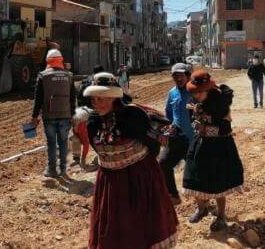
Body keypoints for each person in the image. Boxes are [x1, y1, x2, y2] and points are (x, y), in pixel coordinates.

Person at [84, 72, 178, 248]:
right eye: (94, 99)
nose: (97, 103)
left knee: (138, 225)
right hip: (110, 181)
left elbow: (152, 146)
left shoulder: (133, 116)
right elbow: (97, 148)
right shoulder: (93, 122)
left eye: (102, 98)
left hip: (138, 177)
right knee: (113, 225)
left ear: (114, 97)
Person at [183, 70, 244, 232]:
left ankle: (221, 216)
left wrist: (205, 129)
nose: (196, 95)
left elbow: (225, 128)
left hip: (219, 146)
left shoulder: (221, 104)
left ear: (208, 89)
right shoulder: (193, 101)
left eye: (199, 92)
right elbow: (191, 120)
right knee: (194, 176)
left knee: (219, 180)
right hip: (199, 144)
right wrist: (197, 126)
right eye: (194, 92)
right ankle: (202, 208)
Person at [32, 49, 76, 178]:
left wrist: (34, 116)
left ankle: (51, 170)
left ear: (48, 61)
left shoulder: (43, 76)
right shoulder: (69, 76)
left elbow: (38, 98)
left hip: (49, 116)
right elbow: (73, 98)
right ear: (61, 60)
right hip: (65, 115)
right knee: (63, 142)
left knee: (51, 143)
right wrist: (72, 114)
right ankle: (63, 169)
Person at [159, 63, 194, 205]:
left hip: (193, 139)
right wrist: (170, 125)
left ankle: (203, 203)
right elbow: (168, 111)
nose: (178, 78)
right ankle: (173, 195)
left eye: (181, 75)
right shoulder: (172, 92)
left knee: (195, 170)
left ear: (187, 76)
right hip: (177, 138)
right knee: (163, 163)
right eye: (175, 76)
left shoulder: (195, 91)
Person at [72, 65, 104, 167]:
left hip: (82, 112)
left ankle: (76, 158)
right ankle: (101, 156)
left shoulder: (85, 80)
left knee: (76, 135)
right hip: (96, 112)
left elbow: (78, 95)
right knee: (99, 134)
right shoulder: (102, 81)